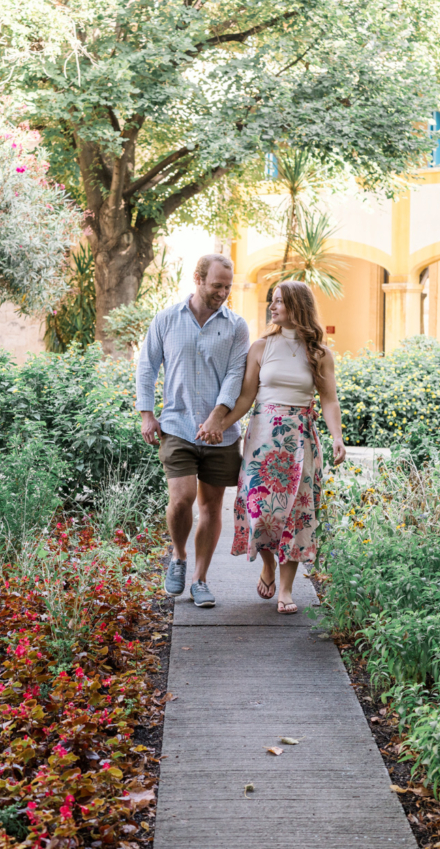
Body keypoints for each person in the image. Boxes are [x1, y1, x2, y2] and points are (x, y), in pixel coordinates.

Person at [198, 280, 345, 615]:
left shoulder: (320, 354)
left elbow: (329, 400)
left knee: (296, 512)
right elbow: (247, 397)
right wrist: (218, 424)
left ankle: (286, 588)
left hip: (300, 439)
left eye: (279, 301)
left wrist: (337, 435)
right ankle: (267, 564)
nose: (272, 307)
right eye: (272, 301)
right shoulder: (262, 348)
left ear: (297, 306)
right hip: (263, 437)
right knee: (260, 510)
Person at [136, 253, 251, 608]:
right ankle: (179, 556)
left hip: (221, 435)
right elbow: (146, 366)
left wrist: (218, 418)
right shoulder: (167, 319)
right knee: (181, 499)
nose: (223, 293)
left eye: (228, 287)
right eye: (217, 285)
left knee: (212, 507)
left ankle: (200, 579)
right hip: (177, 426)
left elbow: (236, 374)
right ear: (197, 278)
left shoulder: (236, 326)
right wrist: (146, 415)